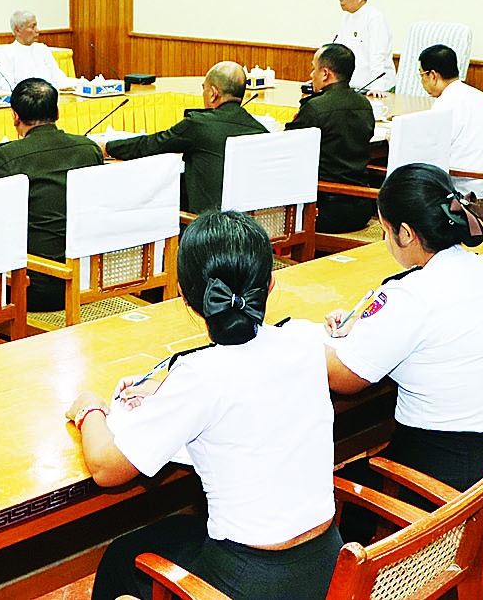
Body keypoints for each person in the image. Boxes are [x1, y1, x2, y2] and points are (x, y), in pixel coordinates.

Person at [66, 211, 342, 600]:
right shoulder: (304, 339)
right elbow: (252, 383)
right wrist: (168, 391)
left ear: (184, 294)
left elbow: (106, 468)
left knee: (122, 557)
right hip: (326, 566)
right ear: (270, 284)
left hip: (248, 583)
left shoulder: (199, 376)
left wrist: (90, 408)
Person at [324, 163, 483, 524]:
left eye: (384, 231)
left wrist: (301, 341)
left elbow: (344, 378)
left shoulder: (410, 295)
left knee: (342, 497)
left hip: (459, 493)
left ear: (406, 233)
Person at [0, 78, 102, 310]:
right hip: (87, 279)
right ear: (57, 112)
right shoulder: (88, 149)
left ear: (15, 117)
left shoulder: (9, 157)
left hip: (34, 287)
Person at [105, 62, 267, 214]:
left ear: (213, 94)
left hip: (205, 226)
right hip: (247, 227)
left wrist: (108, 147)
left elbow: (151, 145)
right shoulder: (261, 132)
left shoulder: (199, 125)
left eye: (204, 89)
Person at [285, 43, 377, 233]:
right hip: (362, 207)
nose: (311, 75)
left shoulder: (316, 108)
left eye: (314, 69)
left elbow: (288, 146)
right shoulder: (364, 104)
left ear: (325, 74)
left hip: (326, 210)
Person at [420, 44, 483, 211]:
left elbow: (432, 153)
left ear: (433, 75)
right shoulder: (480, 96)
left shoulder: (445, 104)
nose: (422, 82)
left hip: (467, 196)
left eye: (422, 75)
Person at [332, 0, 395, 93]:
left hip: (376, 87)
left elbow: (378, 55)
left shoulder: (375, 18)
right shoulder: (347, 17)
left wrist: (377, 87)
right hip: (353, 86)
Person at [0, 10, 73, 91]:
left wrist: (77, 84)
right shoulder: (6, 53)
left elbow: (59, 78)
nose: (37, 30)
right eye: (32, 27)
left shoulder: (42, 49)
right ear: (18, 30)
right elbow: (5, 86)